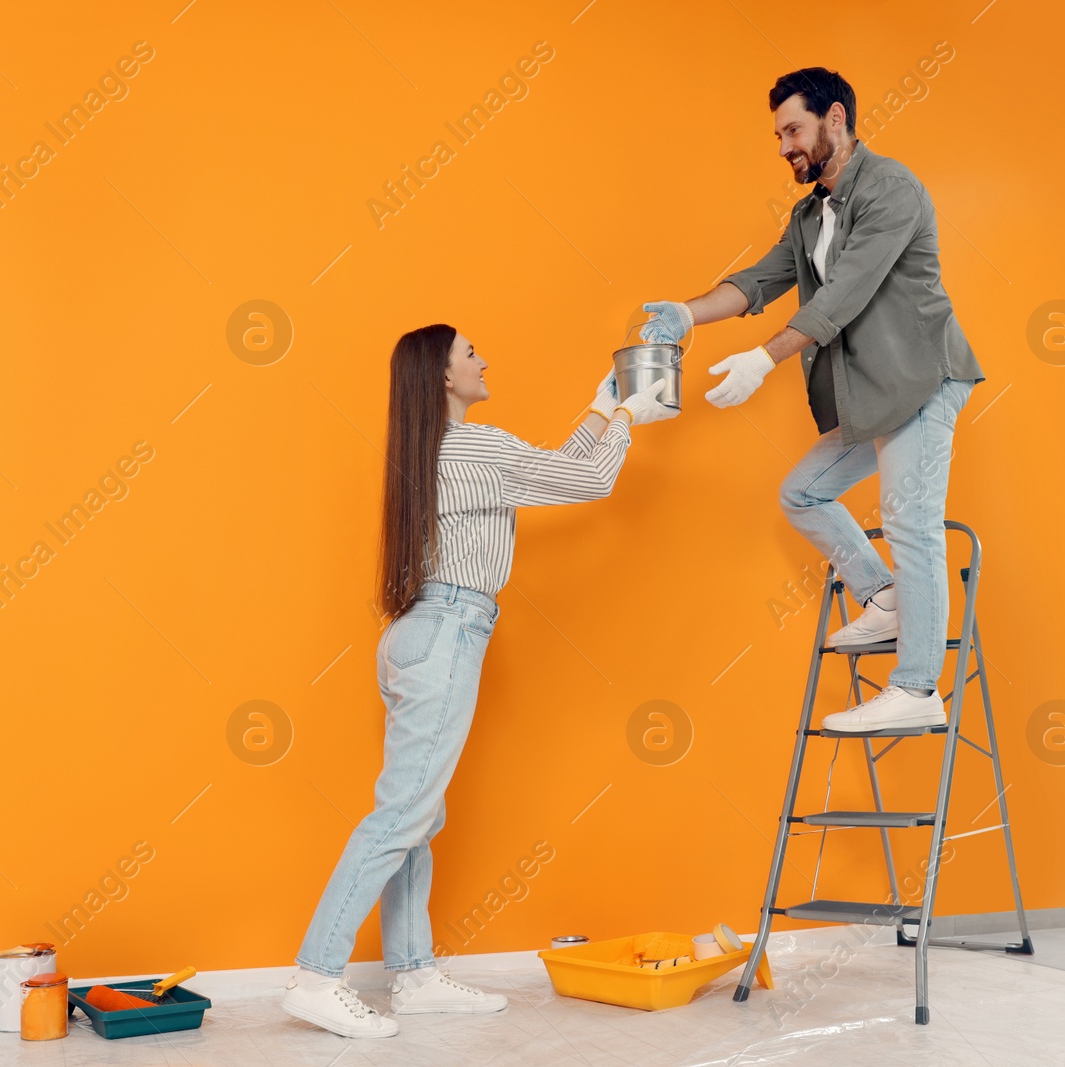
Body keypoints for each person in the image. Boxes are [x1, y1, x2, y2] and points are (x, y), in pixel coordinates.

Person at [282, 324, 676, 1038]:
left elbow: (551, 466)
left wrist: (599, 409)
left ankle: (412, 973)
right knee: (402, 814)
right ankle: (316, 974)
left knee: (416, 817)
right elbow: (587, 479)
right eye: (470, 353)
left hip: (418, 634)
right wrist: (627, 417)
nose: (484, 359)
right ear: (441, 375)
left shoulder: (438, 452)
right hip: (449, 632)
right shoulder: (475, 446)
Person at [641, 67, 983, 733]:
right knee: (802, 493)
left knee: (911, 521)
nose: (782, 146)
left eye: (792, 129)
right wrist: (685, 314)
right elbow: (758, 280)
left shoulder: (891, 189)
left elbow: (844, 293)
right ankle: (882, 597)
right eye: (777, 134)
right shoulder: (808, 215)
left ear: (834, 120)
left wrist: (763, 359)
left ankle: (916, 687)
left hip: (921, 378)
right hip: (871, 394)